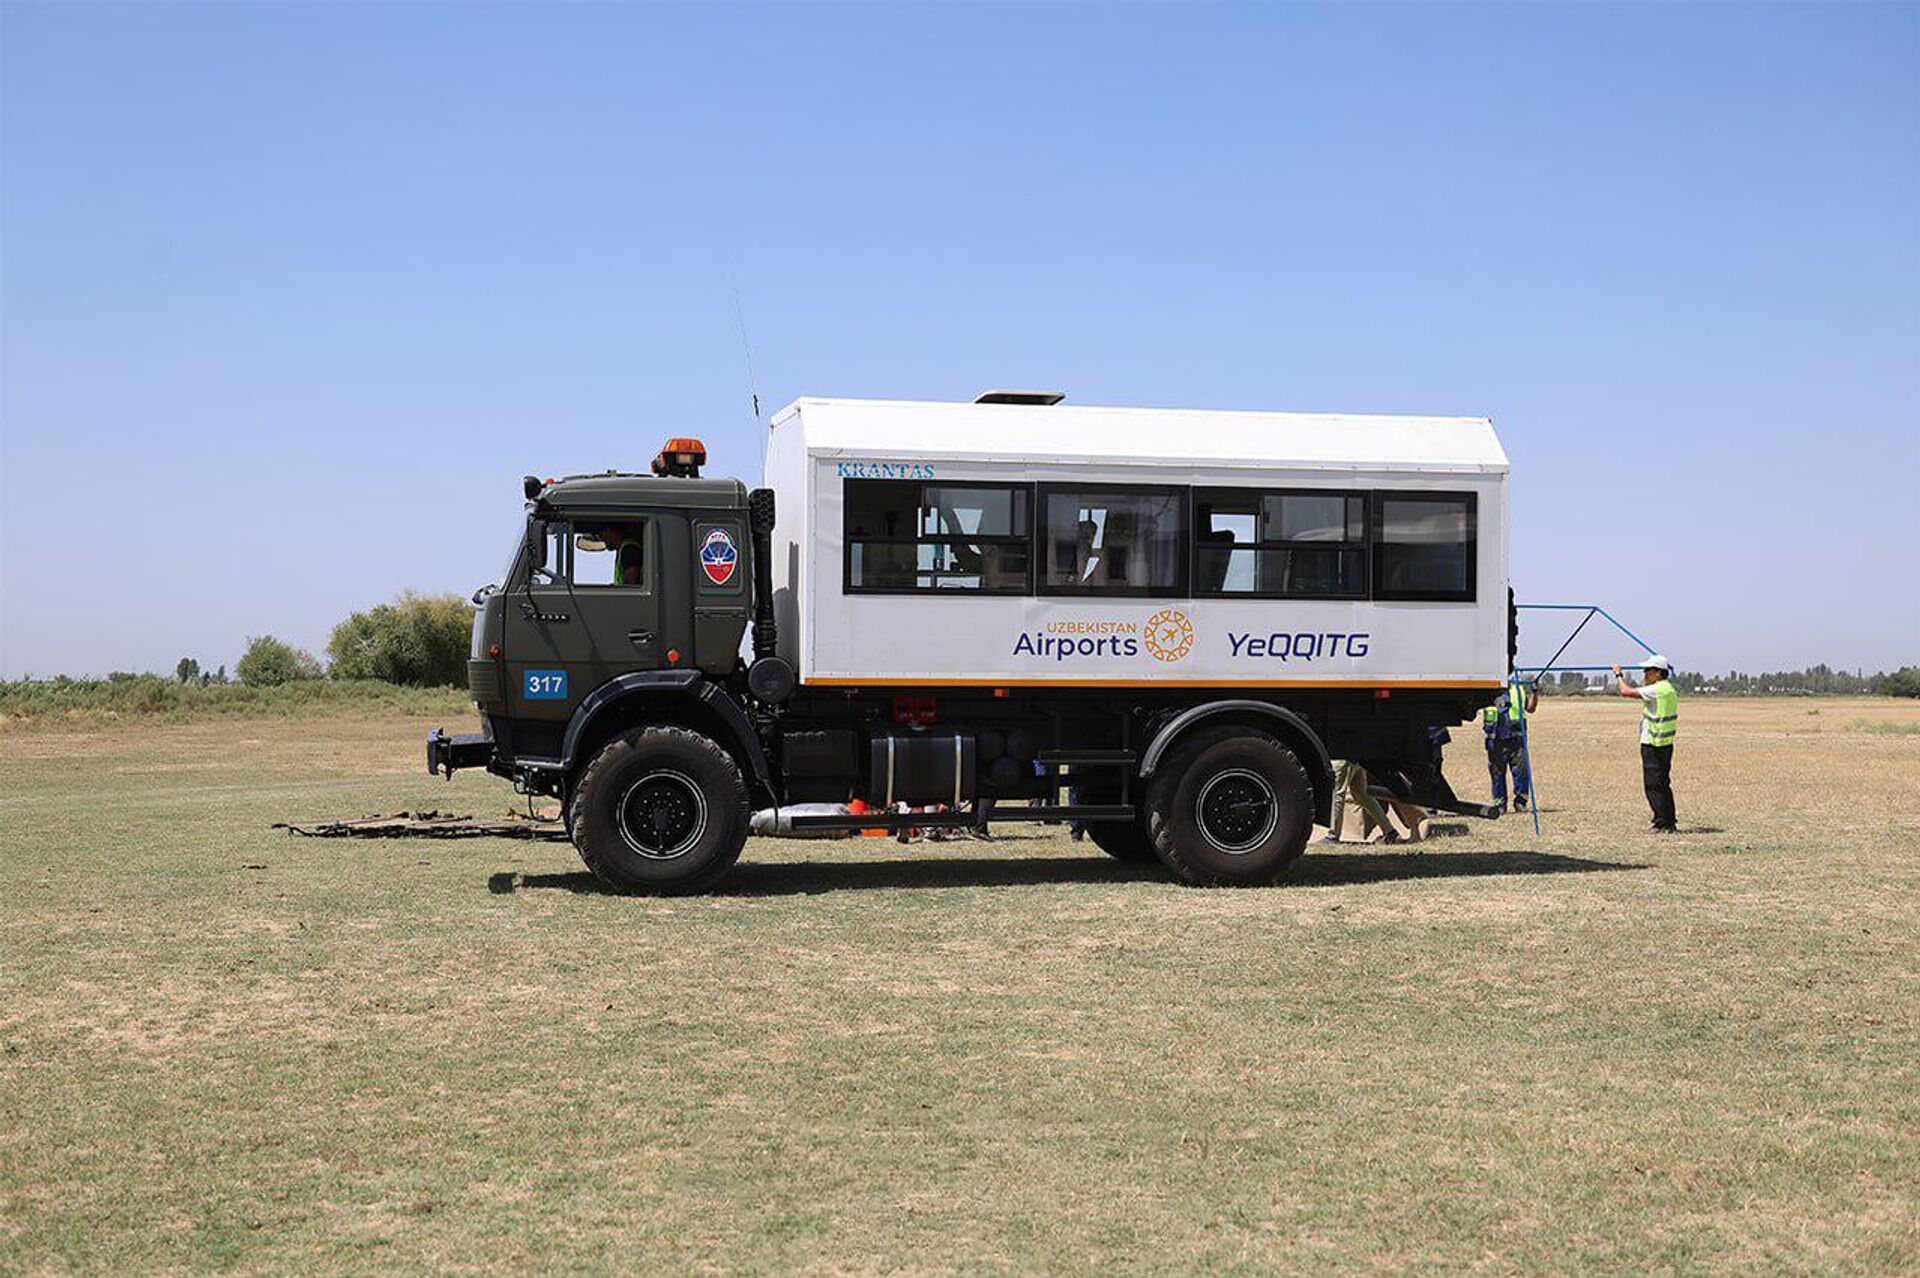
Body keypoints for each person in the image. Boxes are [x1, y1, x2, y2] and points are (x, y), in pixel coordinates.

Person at [1612, 655, 1679, 833]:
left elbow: (1626, 692)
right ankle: (1668, 820)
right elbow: (1643, 688)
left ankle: (1662, 822)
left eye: (1648, 670)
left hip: (1653, 743)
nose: (1645, 673)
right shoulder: (1667, 688)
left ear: (1658, 673)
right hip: (1664, 742)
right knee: (1663, 783)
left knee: (1653, 785)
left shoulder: (1657, 690)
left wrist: (1618, 675)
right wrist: (1646, 680)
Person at [1482, 677, 1539, 814]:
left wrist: (1534, 692)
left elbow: (1530, 708)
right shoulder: (1488, 688)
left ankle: (1520, 802)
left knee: (1521, 771)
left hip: (1517, 737)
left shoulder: (1518, 689)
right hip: (1496, 737)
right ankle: (1500, 803)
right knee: (1497, 772)